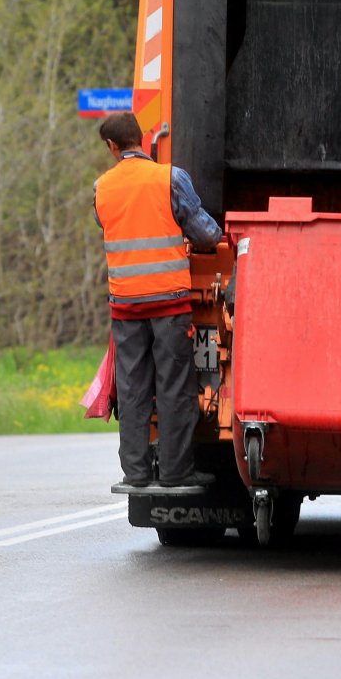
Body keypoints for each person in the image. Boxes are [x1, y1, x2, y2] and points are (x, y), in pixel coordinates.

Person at [93, 112, 223, 489]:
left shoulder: (101, 187)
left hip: (126, 306)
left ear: (112, 147)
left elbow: (109, 225)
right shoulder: (171, 178)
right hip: (168, 304)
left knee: (133, 389)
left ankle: (135, 474)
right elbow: (206, 234)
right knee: (174, 387)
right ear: (141, 137)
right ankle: (175, 473)